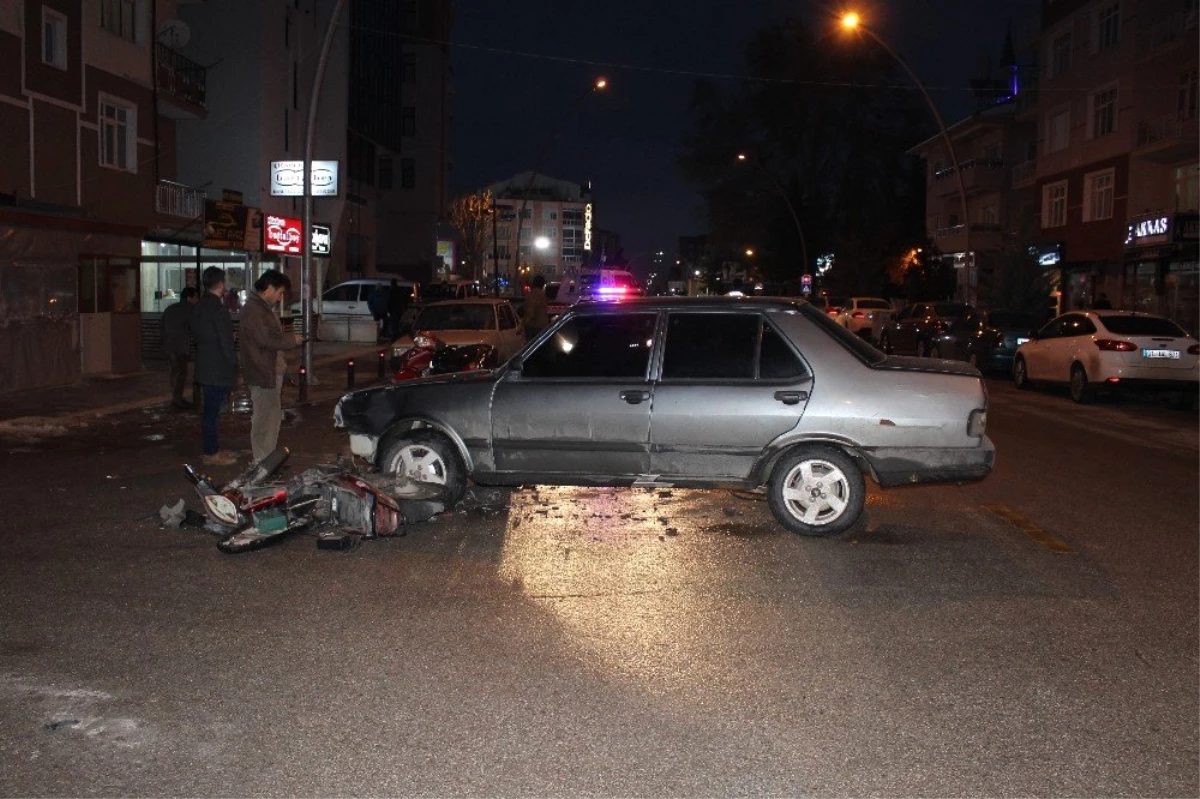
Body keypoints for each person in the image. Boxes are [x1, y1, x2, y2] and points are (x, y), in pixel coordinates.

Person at [240, 270, 302, 464]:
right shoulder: (254, 309)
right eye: (280, 292)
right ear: (268, 289)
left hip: (268, 369)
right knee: (264, 416)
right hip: (261, 371)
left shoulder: (261, 307)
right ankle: (261, 459)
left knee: (272, 416)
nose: (280, 297)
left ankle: (268, 458)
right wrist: (292, 339)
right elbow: (266, 339)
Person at [193, 267, 239, 467]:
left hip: (204, 366)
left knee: (209, 411)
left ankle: (212, 448)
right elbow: (226, 343)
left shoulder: (199, 307)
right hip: (218, 370)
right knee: (212, 412)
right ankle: (211, 452)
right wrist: (234, 365)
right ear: (220, 284)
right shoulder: (219, 310)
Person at [162, 287, 199, 409]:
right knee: (181, 373)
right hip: (181, 346)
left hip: (169, 345)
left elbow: (161, 327)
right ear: (189, 298)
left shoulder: (170, 309)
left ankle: (176, 397)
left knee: (174, 372)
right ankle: (177, 400)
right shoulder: (190, 310)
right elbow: (194, 328)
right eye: (195, 297)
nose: (197, 300)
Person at [523, 274, 549, 340]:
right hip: (540, 327)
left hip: (533, 327)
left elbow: (530, 312)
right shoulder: (542, 295)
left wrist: (524, 324)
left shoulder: (531, 295)